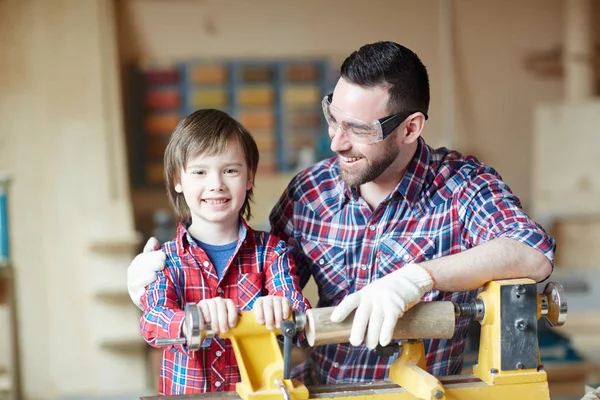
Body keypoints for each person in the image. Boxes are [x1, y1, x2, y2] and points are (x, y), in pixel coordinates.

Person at [128, 41, 555, 385]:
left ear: (410, 128)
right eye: (334, 118)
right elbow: (260, 278)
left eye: (359, 129)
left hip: (420, 392)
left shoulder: (461, 185)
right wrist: (157, 294)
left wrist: (417, 278)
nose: (336, 142)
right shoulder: (310, 191)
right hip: (318, 389)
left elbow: (531, 253)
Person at [138, 109, 309, 395]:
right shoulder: (163, 259)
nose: (216, 183)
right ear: (177, 180)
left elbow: (300, 314)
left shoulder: (272, 252)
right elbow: (152, 322)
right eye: (200, 172)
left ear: (249, 177)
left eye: (230, 170)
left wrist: (283, 308)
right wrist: (194, 318)